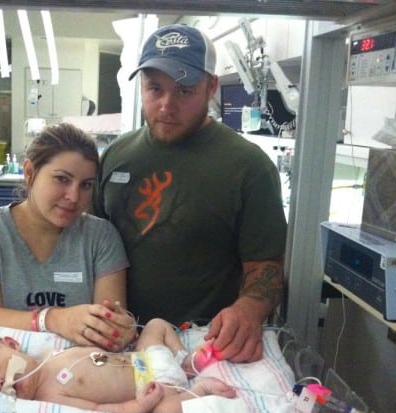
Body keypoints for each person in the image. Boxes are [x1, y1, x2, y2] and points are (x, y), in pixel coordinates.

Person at [92, 24, 287, 363]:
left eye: (184, 91)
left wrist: (249, 309)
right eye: (155, 88)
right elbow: (88, 245)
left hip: (201, 342)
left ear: (211, 86)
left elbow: (266, 267)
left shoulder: (249, 168)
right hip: (117, 337)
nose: (166, 105)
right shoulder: (116, 156)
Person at [0, 123, 137, 351]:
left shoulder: (102, 238)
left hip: (77, 372)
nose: (73, 196)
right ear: (30, 173)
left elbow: (105, 330)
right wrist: (53, 319)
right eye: (62, 179)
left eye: (86, 185)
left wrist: (119, 330)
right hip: (3, 369)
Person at [0, 318, 236, 413]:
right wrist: (138, 406)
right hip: (157, 386)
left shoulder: (50, 350)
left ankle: (184, 359)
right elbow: (98, 410)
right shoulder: (49, 396)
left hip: (144, 357)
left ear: (12, 344)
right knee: (166, 410)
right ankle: (199, 388)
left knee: (156, 325)